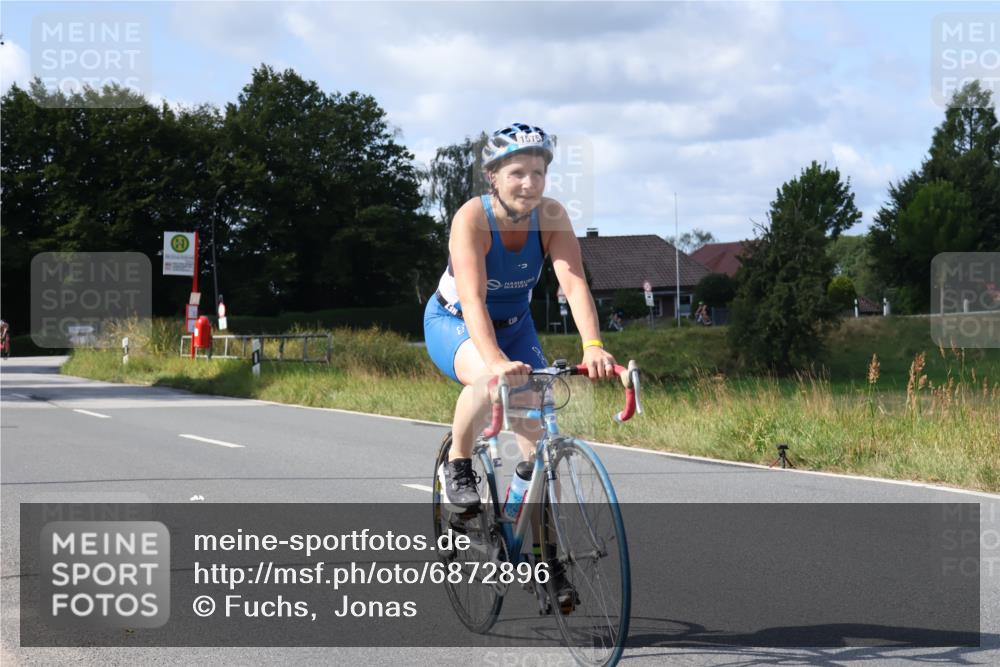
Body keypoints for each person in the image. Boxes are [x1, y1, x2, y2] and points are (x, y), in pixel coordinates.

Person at [424, 123, 617, 608]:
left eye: (539, 172)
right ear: (492, 177)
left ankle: (543, 560)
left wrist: (592, 344)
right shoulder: (471, 219)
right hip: (456, 321)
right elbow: (471, 299)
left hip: (515, 325)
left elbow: (573, 283)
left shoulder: (551, 217)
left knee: (538, 449)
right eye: (517, 173)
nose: (530, 184)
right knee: (490, 380)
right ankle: (460, 467)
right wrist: (494, 361)